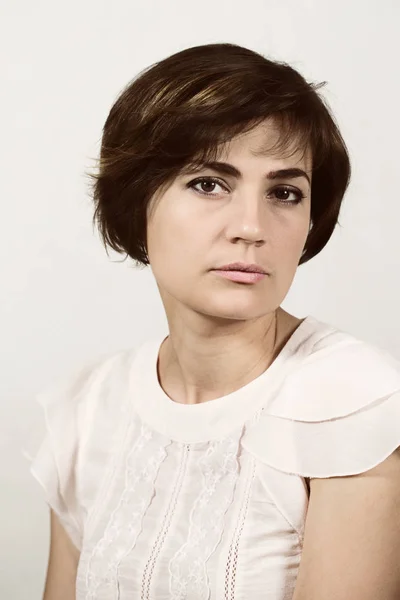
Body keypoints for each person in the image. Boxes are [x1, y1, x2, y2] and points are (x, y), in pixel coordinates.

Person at [27, 43, 400, 600]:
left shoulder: (356, 402)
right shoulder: (88, 407)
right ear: (137, 200)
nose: (251, 226)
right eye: (208, 183)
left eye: (284, 192)